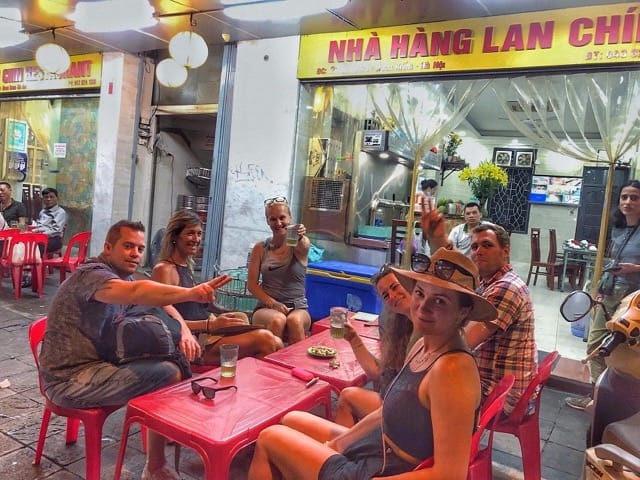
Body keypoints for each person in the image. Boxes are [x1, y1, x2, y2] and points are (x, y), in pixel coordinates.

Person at [247, 248, 498, 480]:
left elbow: (449, 475)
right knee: (291, 419)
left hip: (387, 469)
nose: (423, 307)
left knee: (269, 438)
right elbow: (387, 408)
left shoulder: (453, 370)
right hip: (377, 447)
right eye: (420, 293)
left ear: (463, 312)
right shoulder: (424, 343)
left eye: (440, 301)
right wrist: (339, 445)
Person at [38, 219, 230, 480]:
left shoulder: (121, 276)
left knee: (166, 356)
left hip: (98, 364)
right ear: (108, 247)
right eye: (128, 246)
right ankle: (156, 466)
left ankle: (162, 448)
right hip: (68, 380)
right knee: (168, 374)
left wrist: (184, 329)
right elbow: (139, 292)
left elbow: (158, 302)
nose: (135, 254)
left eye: (140, 249)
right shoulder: (93, 276)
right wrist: (190, 293)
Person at [421, 207, 537, 415]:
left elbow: (465, 341)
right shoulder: (487, 283)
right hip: (491, 381)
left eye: (487, 245)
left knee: (420, 395)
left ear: (506, 250)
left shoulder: (506, 288)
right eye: (474, 247)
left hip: (498, 393)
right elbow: (458, 276)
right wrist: (439, 239)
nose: (478, 251)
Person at [151, 209, 283, 364]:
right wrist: (209, 325)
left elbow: (191, 309)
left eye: (199, 234)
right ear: (175, 236)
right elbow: (163, 321)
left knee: (273, 339)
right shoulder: (164, 270)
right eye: (190, 233)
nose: (196, 239)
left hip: (206, 332)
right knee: (265, 339)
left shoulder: (185, 265)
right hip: (192, 342)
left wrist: (217, 312)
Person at [566, 180, 640, 411]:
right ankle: (597, 396)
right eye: (624, 197)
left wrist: (635, 269)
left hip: (633, 299)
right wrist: (599, 288)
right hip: (610, 292)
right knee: (598, 344)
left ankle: (609, 400)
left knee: (622, 351)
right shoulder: (618, 228)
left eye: (634, 198)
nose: (628, 202)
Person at [334, 264, 413, 426]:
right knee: (347, 395)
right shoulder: (397, 326)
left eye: (395, 287)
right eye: (385, 295)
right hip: (395, 402)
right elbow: (379, 373)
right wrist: (353, 339)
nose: (392, 295)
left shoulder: (429, 327)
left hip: (410, 415)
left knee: (347, 398)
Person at [248, 196, 311, 344]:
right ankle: (269, 363)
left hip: (297, 307)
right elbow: (251, 285)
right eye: (273, 219)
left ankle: (297, 364)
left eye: (282, 218)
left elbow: (304, 246)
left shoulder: (299, 244)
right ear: (267, 221)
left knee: (294, 321)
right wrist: (273, 303)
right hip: (266, 307)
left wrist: (300, 236)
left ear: (290, 218)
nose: (279, 223)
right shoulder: (260, 248)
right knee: (277, 320)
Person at [31, 187, 67, 253]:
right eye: (46, 197)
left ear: (57, 198)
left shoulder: (60, 212)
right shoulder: (42, 211)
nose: (49, 199)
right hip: (40, 237)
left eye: (51, 197)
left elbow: (56, 230)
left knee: (36, 246)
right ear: (43, 199)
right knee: (25, 243)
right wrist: (34, 231)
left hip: (54, 239)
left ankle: (38, 262)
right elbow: (39, 225)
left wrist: (41, 234)